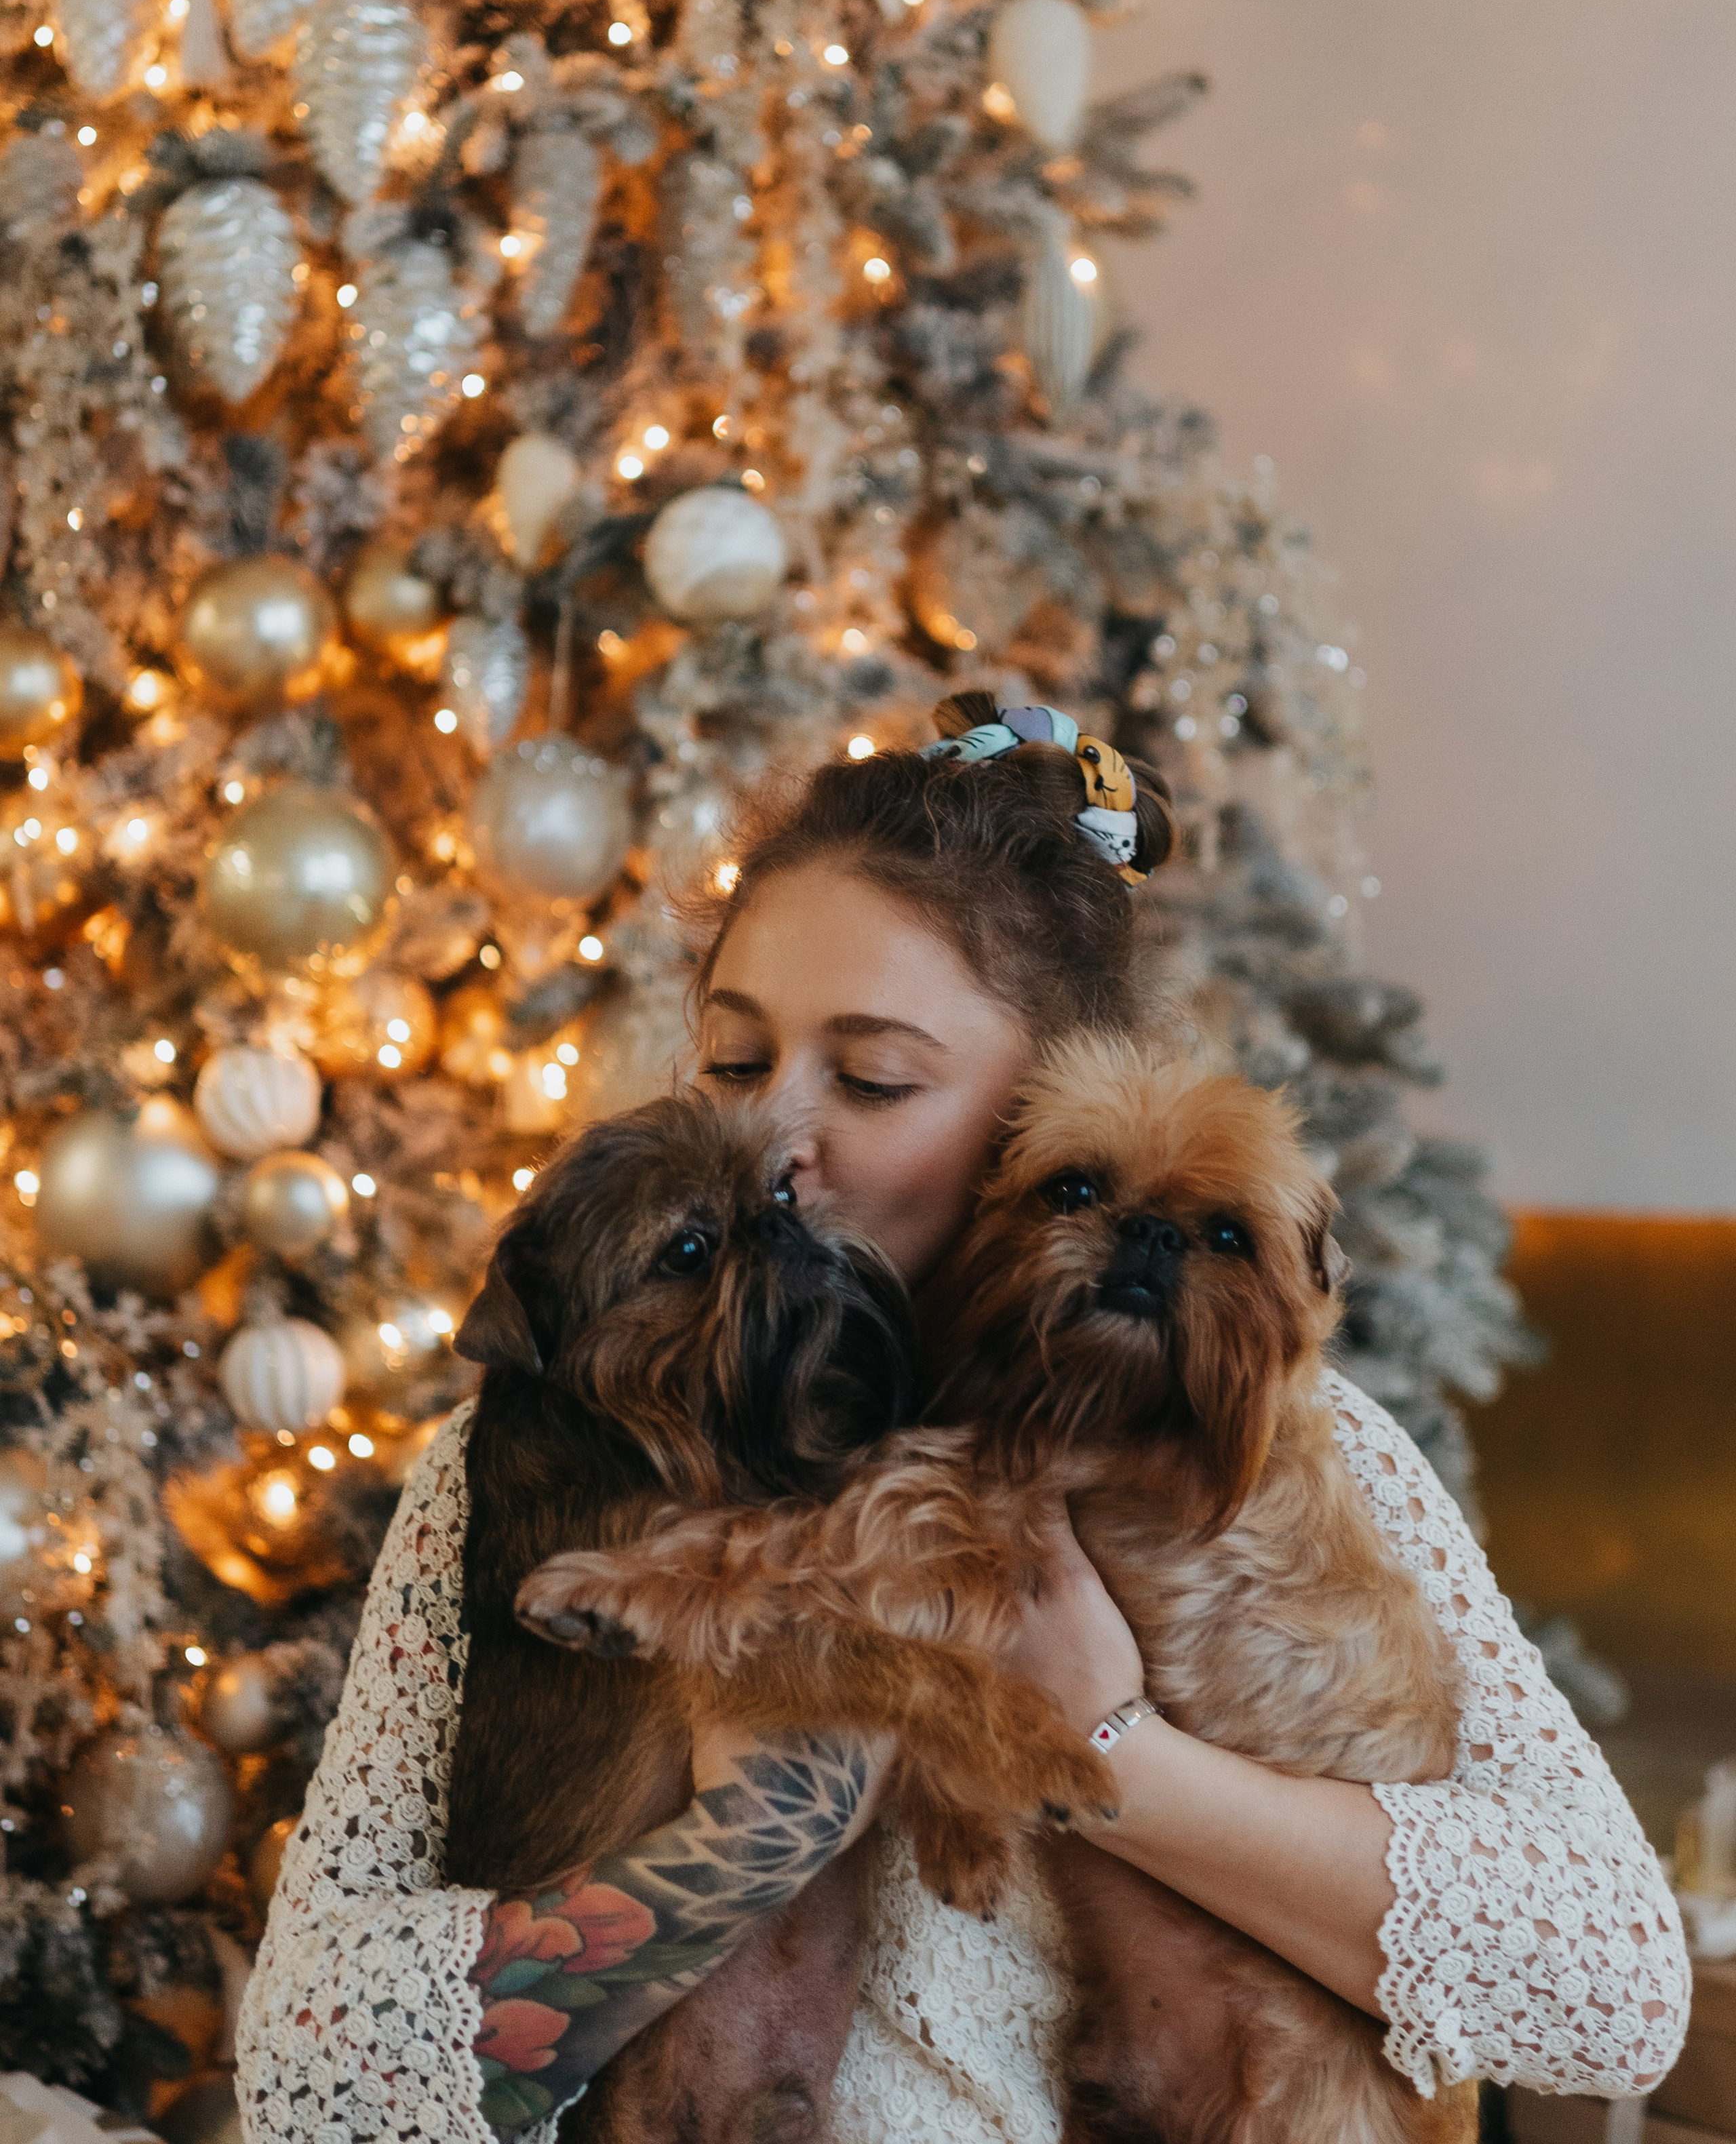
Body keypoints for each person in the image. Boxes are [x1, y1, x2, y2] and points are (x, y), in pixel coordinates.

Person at [235, 706, 1689, 2144]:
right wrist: (748, 1842)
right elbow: (304, 2075)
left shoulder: (1303, 1455)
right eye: (735, 1061)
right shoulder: (537, 1459)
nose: (772, 1139)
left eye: (870, 1078)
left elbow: (1614, 1991)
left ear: (1045, 1113)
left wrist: (1108, 1751)